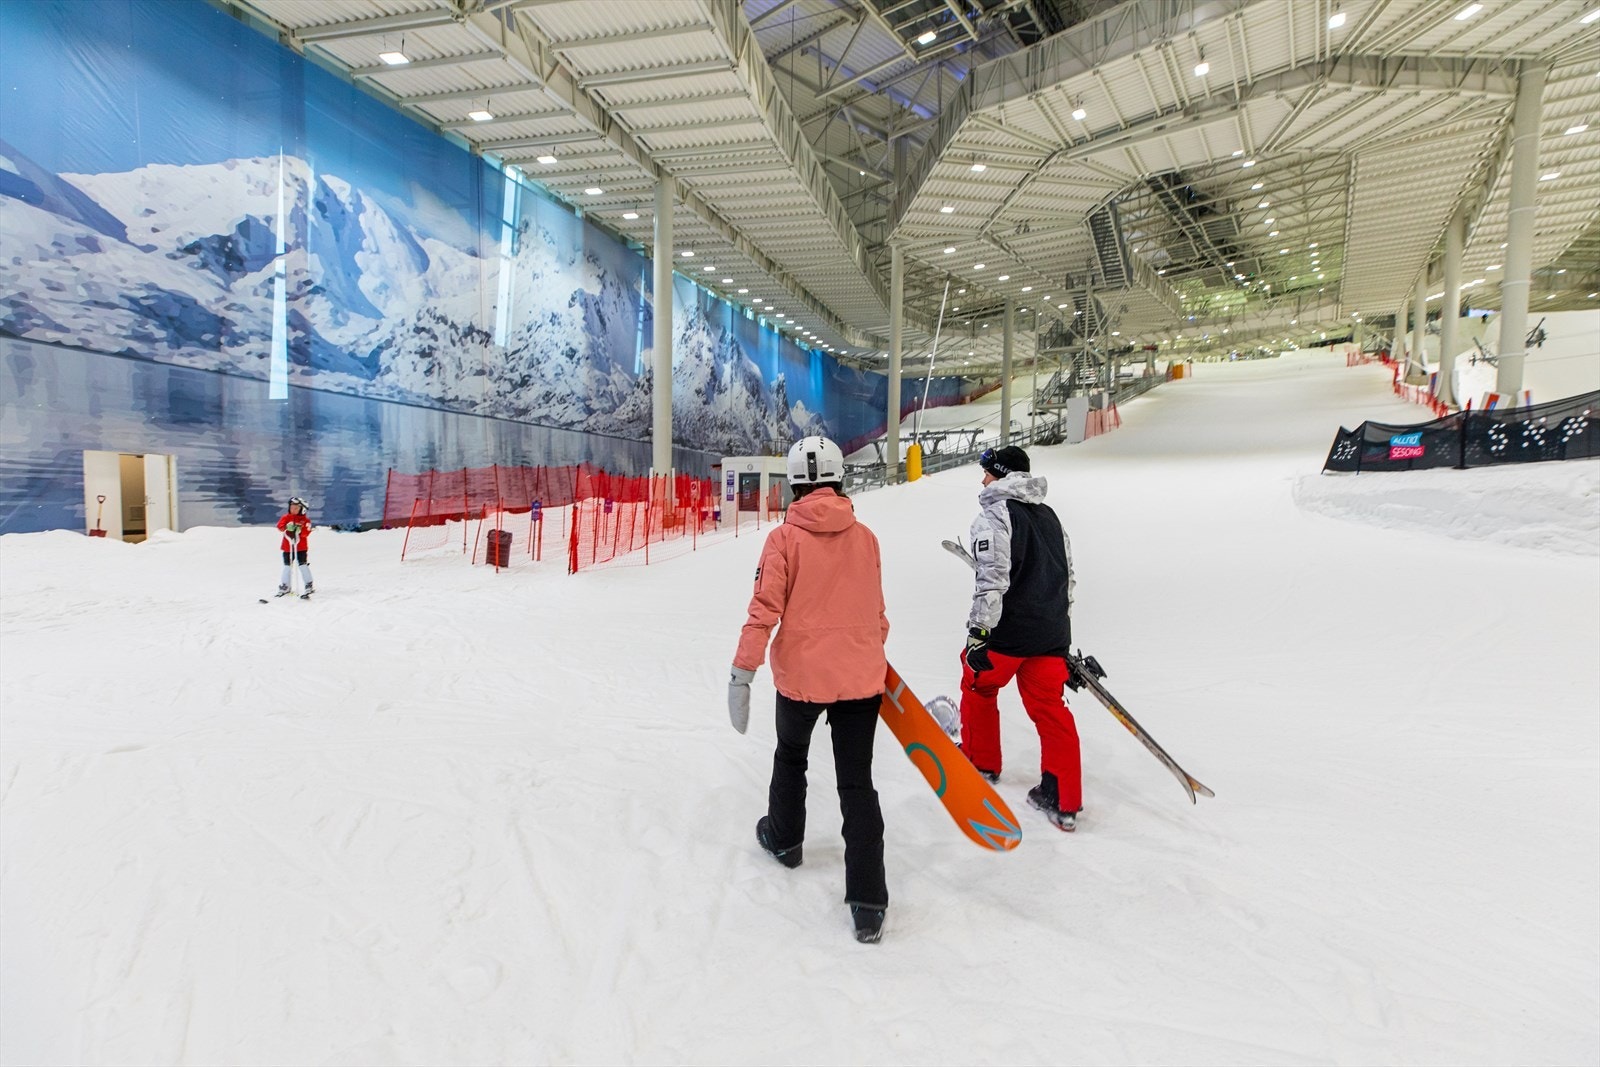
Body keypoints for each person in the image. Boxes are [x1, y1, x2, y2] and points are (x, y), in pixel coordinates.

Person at [728, 436, 891, 944]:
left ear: (795, 485)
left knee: (791, 757)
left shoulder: (783, 540)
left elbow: (764, 611)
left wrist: (743, 672)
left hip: (801, 680)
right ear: (840, 479)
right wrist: (867, 648)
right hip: (861, 680)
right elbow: (876, 612)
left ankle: (785, 840)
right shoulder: (865, 538)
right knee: (856, 784)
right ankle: (868, 902)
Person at [957, 445, 1082, 831]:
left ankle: (981, 760)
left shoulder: (994, 517)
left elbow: (990, 583)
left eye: (987, 473)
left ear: (1002, 475)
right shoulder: (1051, 518)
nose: (982, 480)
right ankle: (1062, 798)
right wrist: (1061, 636)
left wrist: (979, 634)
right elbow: (1068, 579)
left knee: (978, 685)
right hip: (1050, 635)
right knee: (1050, 708)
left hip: (1008, 636)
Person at [275, 496, 315, 599]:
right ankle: (285, 585)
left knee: (302, 565)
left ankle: (308, 583)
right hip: (287, 547)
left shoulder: (305, 521)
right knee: (287, 566)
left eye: (296, 508)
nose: (293, 510)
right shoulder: (286, 517)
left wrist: (299, 529)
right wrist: (286, 527)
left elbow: (307, 532)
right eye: (292, 507)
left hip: (300, 547)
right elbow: (280, 526)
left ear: (302, 509)